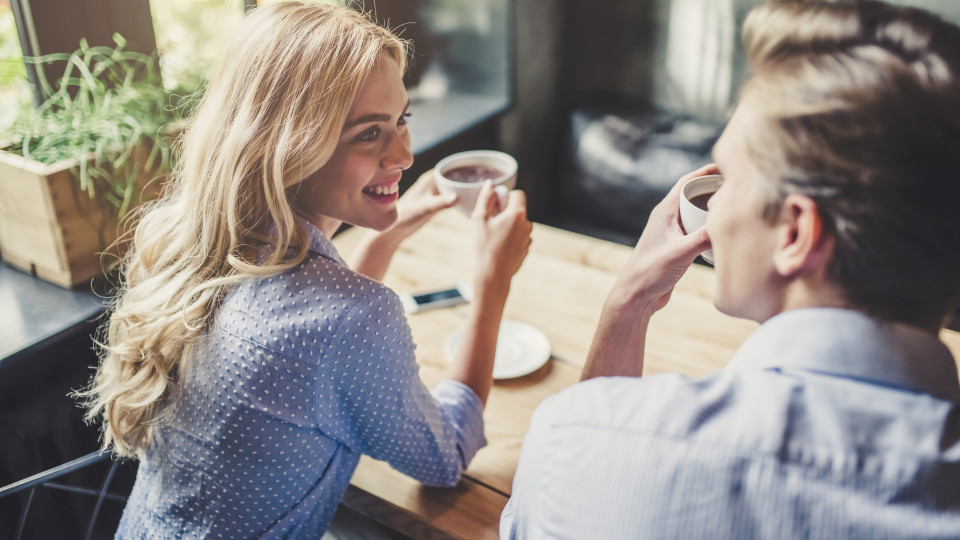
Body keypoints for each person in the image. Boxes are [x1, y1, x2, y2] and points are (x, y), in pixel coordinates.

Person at [501, 1, 960, 538]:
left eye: (732, 180)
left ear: (795, 234)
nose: (714, 207)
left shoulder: (579, 443)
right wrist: (633, 300)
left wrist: (625, 301)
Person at [78, 2, 532, 538]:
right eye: (370, 133)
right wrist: (492, 281)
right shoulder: (352, 317)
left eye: (401, 119)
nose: (405, 155)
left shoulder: (185, 243)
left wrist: (388, 231)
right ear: (289, 146)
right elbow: (445, 455)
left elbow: (314, 325)